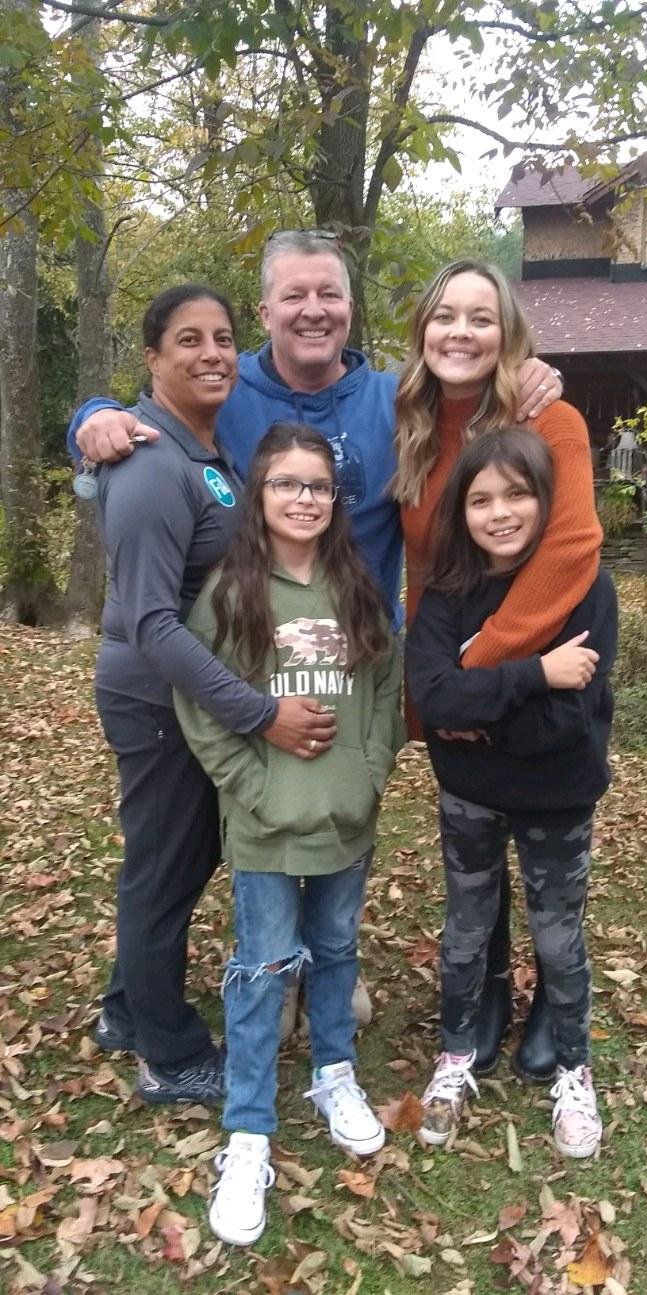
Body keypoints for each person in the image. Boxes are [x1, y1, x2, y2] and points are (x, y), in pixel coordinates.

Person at [67, 232, 563, 1046]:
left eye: (328, 293)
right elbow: (153, 420)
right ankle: (262, 965)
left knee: (337, 809)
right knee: (253, 814)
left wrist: (535, 372)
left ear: (350, 306)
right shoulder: (231, 390)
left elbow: (481, 403)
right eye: (293, 295)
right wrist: (91, 417)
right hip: (253, 657)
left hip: (358, 657)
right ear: (265, 310)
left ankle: (326, 960)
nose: (313, 310)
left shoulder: (394, 396)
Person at [91, 285, 336, 1106]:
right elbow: (153, 622)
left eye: (224, 338)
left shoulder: (206, 454)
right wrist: (258, 712)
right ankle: (168, 1051)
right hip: (157, 701)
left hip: (187, 702)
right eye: (188, 340)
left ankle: (128, 1009)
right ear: (153, 360)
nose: (211, 354)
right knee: (163, 868)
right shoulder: (151, 466)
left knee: (182, 857)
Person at [174, 423, 404, 1246]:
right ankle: (247, 1131)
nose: (303, 498)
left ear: (335, 501)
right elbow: (200, 701)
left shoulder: (356, 585)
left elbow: (384, 685)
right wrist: (247, 783)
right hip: (269, 820)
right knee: (263, 965)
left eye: (318, 486)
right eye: (286, 484)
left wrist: (371, 769)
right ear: (260, 495)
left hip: (347, 815)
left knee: (338, 949)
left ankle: (334, 1072)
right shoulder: (233, 592)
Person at [392, 259, 604, 1081]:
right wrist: (432, 690)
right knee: (474, 864)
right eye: (445, 315)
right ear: (422, 330)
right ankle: (483, 993)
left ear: (509, 335)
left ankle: (555, 1000)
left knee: (550, 863)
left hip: (526, 667)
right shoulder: (406, 416)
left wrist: (480, 665)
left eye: (482, 318)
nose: (461, 332)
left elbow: (573, 547)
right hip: (447, 673)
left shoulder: (549, 417)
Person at [405, 427, 617, 1157]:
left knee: (558, 936)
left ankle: (573, 1068)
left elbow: (570, 717)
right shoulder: (447, 591)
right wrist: (529, 676)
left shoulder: (583, 585)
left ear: (545, 499)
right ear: (460, 509)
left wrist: (480, 713)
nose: (500, 512)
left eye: (518, 494)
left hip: (558, 795)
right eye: (482, 497)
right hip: (468, 794)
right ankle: (456, 1055)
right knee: (467, 927)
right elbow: (432, 697)